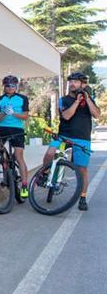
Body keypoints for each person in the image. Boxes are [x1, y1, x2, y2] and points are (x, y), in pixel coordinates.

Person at [45, 71, 100, 210]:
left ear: (83, 84)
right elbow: (67, 116)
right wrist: (76, 101)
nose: (72, 84)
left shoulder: (90, 100)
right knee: (51, 153)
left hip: (82, 138)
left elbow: (97, 115)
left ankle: (82, 197)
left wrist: (86, 99)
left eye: (76, 82)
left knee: (82, 169)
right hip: (64, 135)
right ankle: (45, 174)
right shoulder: (64, 100)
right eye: (71, 82)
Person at [0, 75, 30, 198]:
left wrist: (14, 113)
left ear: (16, 87)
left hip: (17, 129)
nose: (10, 88)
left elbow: (25, 116)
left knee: (19, 156)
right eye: (8, 86)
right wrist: (5, 112)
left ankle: (25, 186)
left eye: (13, 86)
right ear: (4, 87)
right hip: (2, 128)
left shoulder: (23, 99)